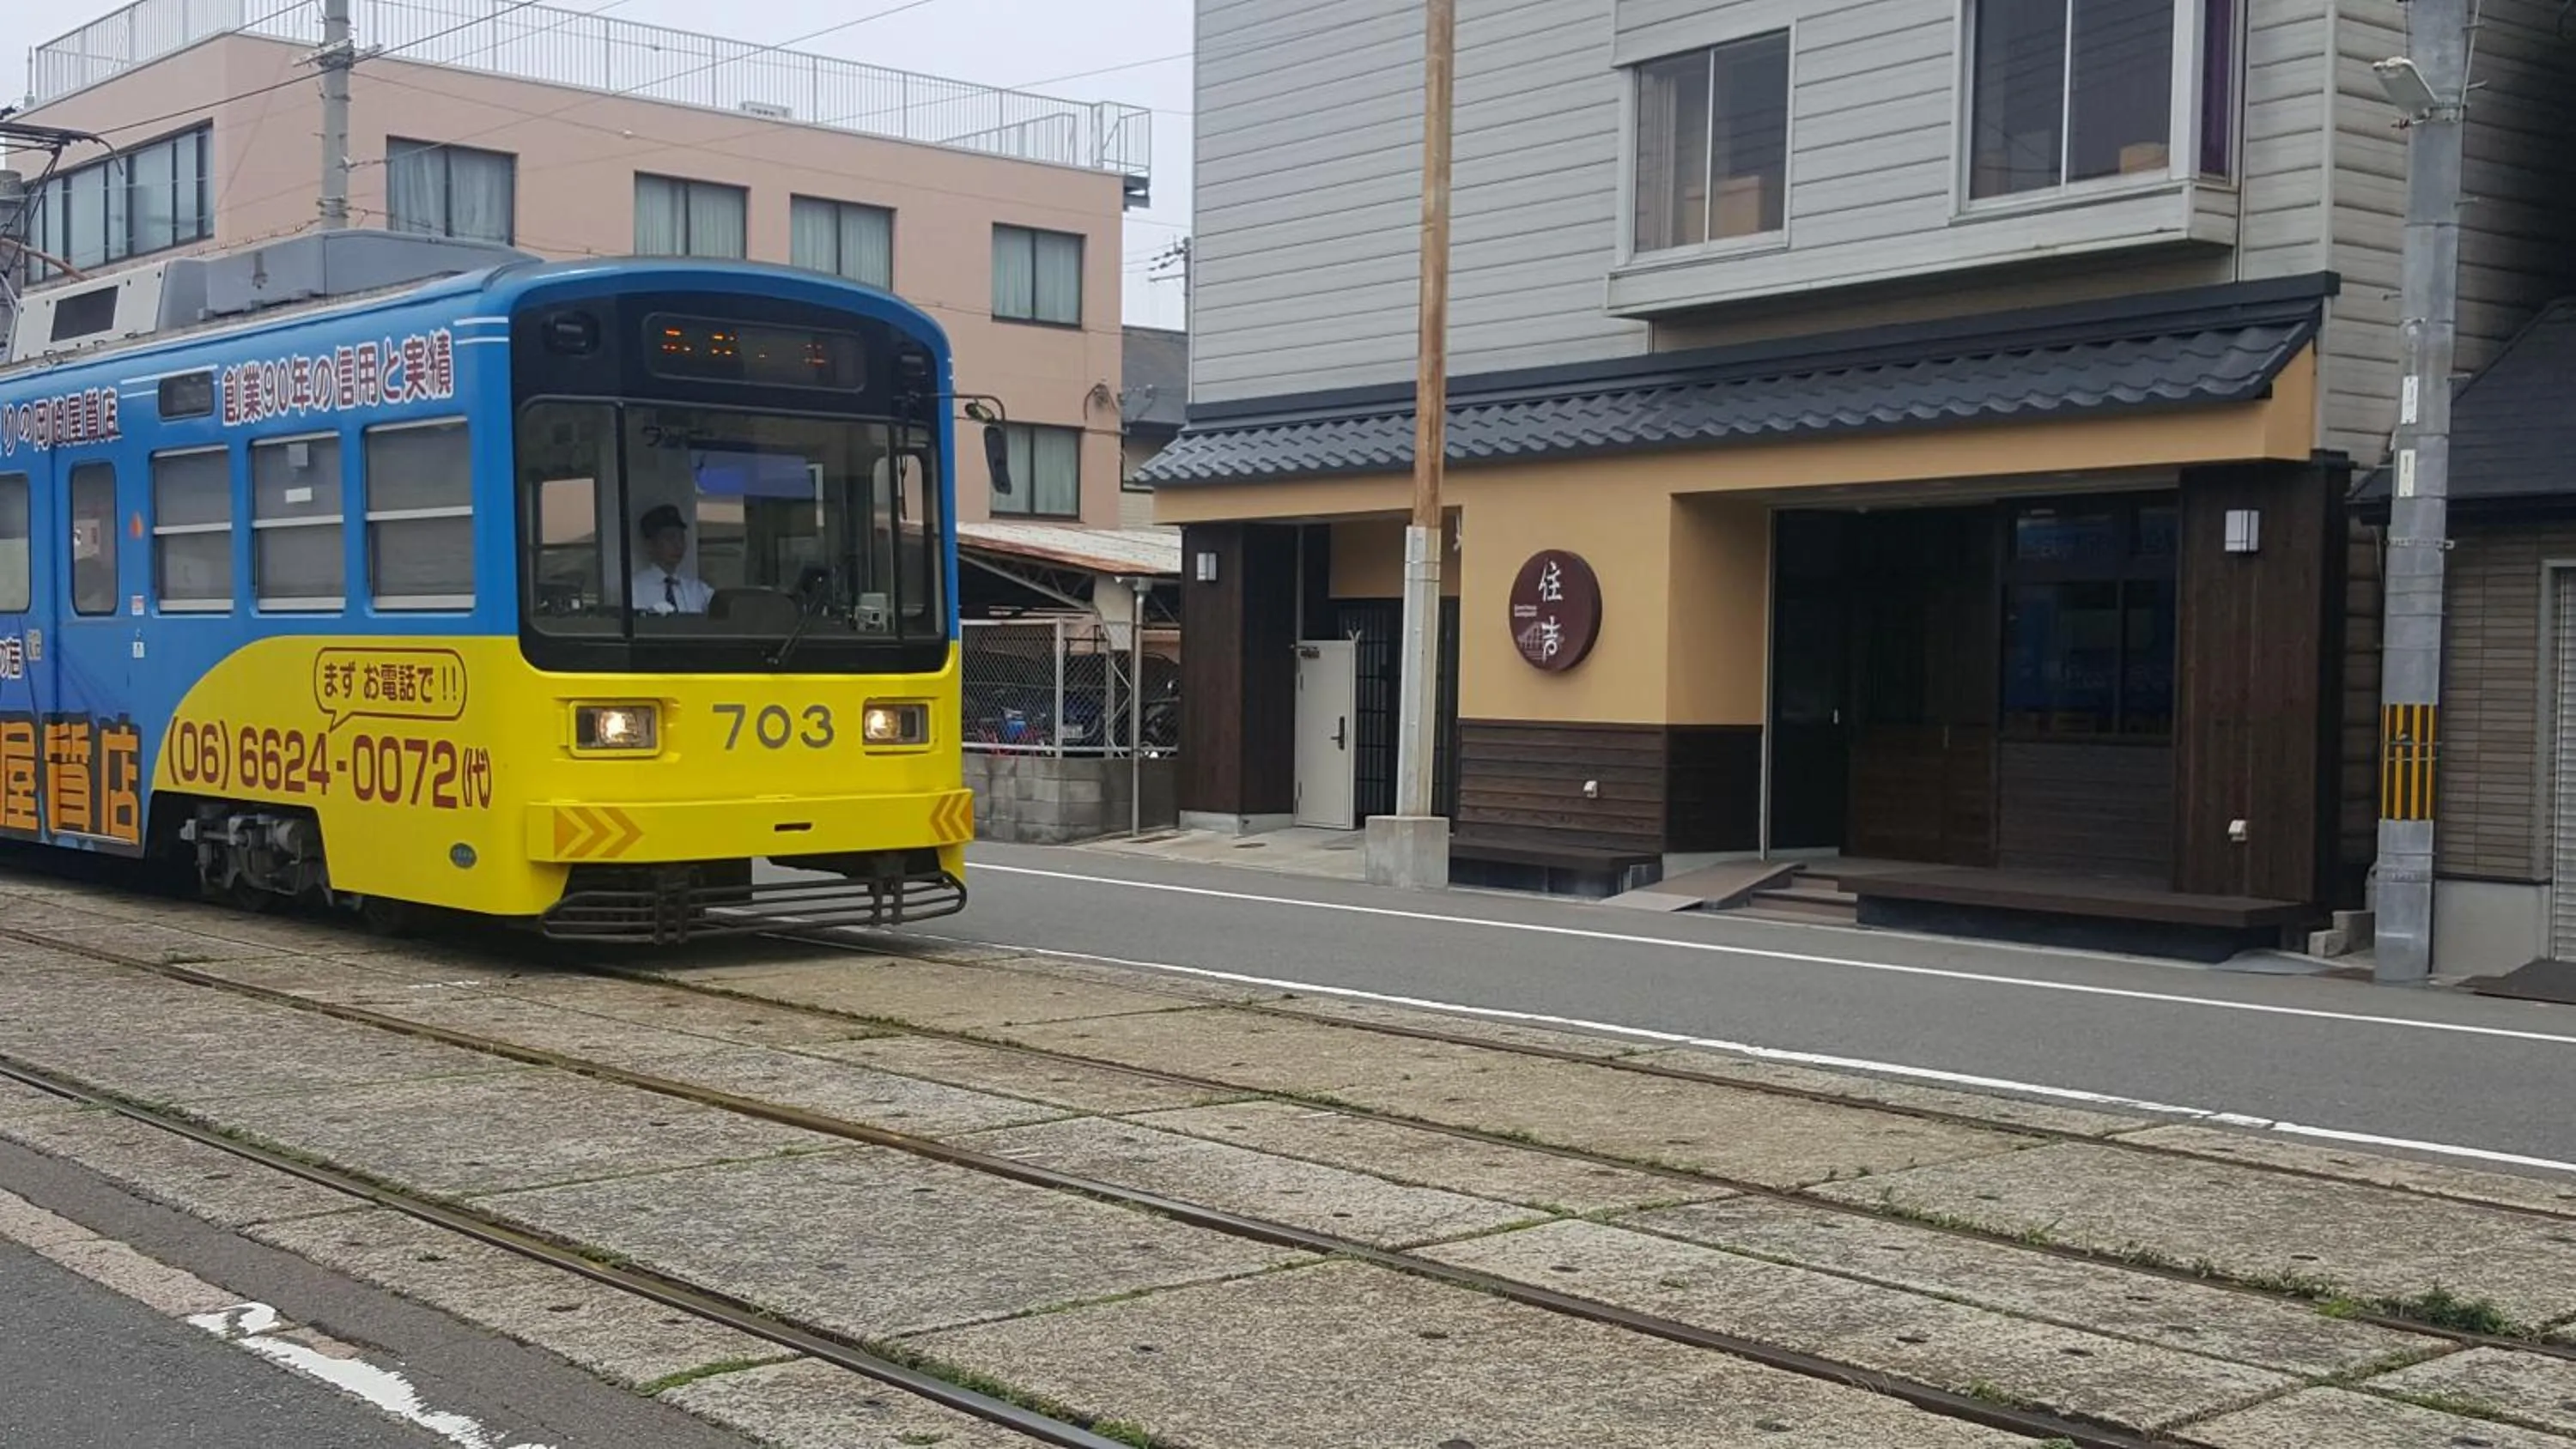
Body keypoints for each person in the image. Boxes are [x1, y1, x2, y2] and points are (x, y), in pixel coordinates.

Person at [631, 505, 713, 615]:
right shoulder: (635, 588)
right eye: (670, 538)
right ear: (650, 544)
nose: (678, 545)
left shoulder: (697, 590)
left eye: (681, 538)